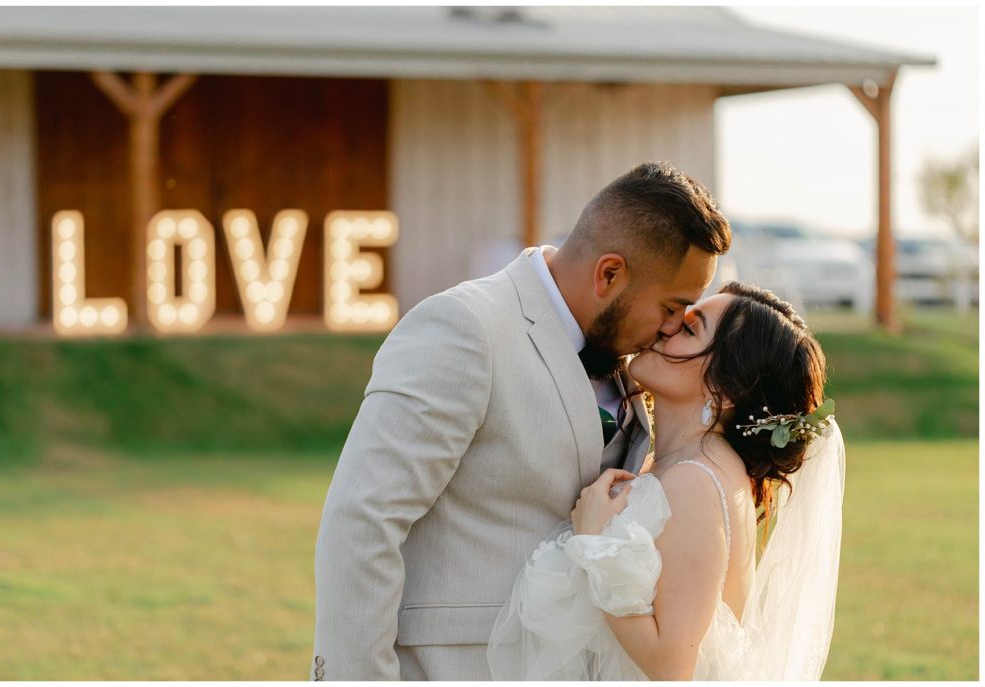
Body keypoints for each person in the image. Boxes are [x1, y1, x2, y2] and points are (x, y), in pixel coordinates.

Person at [311, 161, 732, 680]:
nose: (672, 330)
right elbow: (363, 521)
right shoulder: (466, 328)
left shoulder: (624, 355)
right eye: (671, 307)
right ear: (609, 274)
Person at [487, 282, 845, 680]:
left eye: (689, 330)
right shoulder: (680, 466)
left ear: (726, 389)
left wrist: (592, 544)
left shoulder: (697, 482)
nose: (665, 327)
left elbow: (672, 663)